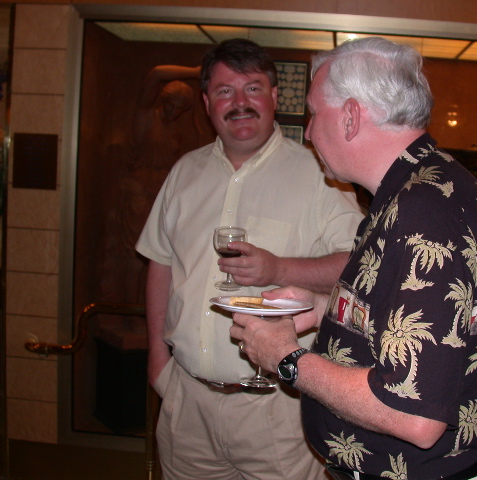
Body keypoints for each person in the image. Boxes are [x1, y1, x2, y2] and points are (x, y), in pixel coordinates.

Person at [230, 37, 477, 480]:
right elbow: (417, 322)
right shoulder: (422, 185)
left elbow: (413, 416)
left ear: (350, 116)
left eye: (313, 113)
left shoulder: (422, 212)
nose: (308, 132)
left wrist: (286, 357)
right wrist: (322, 308)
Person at [136, 39, 363, 480]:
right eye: (225, 91)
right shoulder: (183, 172)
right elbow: (160, 263)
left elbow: (356, 268)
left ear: (275, 96)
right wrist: (158, 361)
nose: (239, 102)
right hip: (187, 406)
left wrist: (279, 269)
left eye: (253, 88)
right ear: (207, 103)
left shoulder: (321, 175)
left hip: (278, 413)